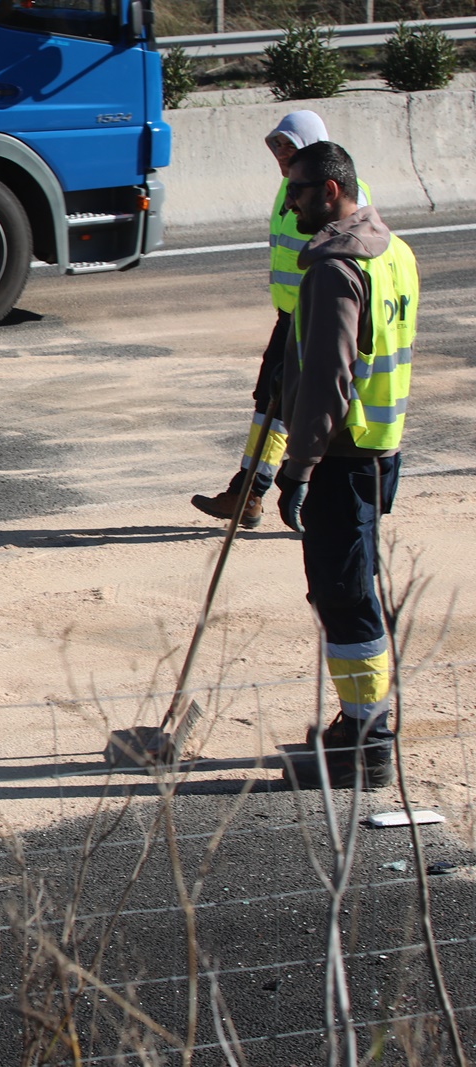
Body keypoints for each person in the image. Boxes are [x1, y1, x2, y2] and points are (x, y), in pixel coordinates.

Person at [271, 141, 417, 791]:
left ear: (330, 192)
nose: (289, 201)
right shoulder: (396, 251)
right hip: (381, 449)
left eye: (297, 190)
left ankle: (365, 739)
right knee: (355, 589)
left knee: (344, 596)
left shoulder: (337, 267)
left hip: (342, 455)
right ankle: (361, 723)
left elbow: (330, 377)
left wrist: (296, 465)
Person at [191, 111, 371, 528]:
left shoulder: (342, 191)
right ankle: (249, 492)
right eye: (276, 147)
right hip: (291, 314)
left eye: (289, 146)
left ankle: (264, 492)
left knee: (297, 407)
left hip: (320, 313)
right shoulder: (289, 189)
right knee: (270, 403)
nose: (281, 154)